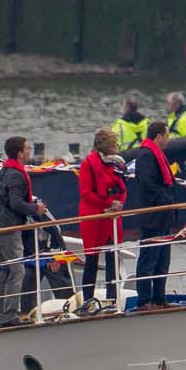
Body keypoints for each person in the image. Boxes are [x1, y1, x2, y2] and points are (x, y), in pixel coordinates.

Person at [0, 135, 51, 326]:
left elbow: (7, 200)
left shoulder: (6, 171)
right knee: (16, 271)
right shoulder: (16, 175)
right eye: (27, 149)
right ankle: (8, 316)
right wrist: (35, 209)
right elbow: (15, 203)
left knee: (4, 273)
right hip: (9, 228)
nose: (30, 152)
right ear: (20, 153)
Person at [125, 119, 181, 310]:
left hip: (163, 217)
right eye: (166, 136)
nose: (168, 140)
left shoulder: (155, 154)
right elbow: (147, 183)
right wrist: (165, 199)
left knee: (163, 260)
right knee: (149, 258)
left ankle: (159, 298)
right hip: (154, 217)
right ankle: (144, 301)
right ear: (158, 137)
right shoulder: (146, 156)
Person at [76, 129, 127, 308]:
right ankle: (88, 300)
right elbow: (86, 192)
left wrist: (118, 203)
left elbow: (122, 186)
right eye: (115, 144)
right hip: (94, 216)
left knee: (112, 257)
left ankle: (112, 298)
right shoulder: (88, 164)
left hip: (110, 216)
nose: (117, 147)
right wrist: (106, 203)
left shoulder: (116, 164)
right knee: (91, 259)